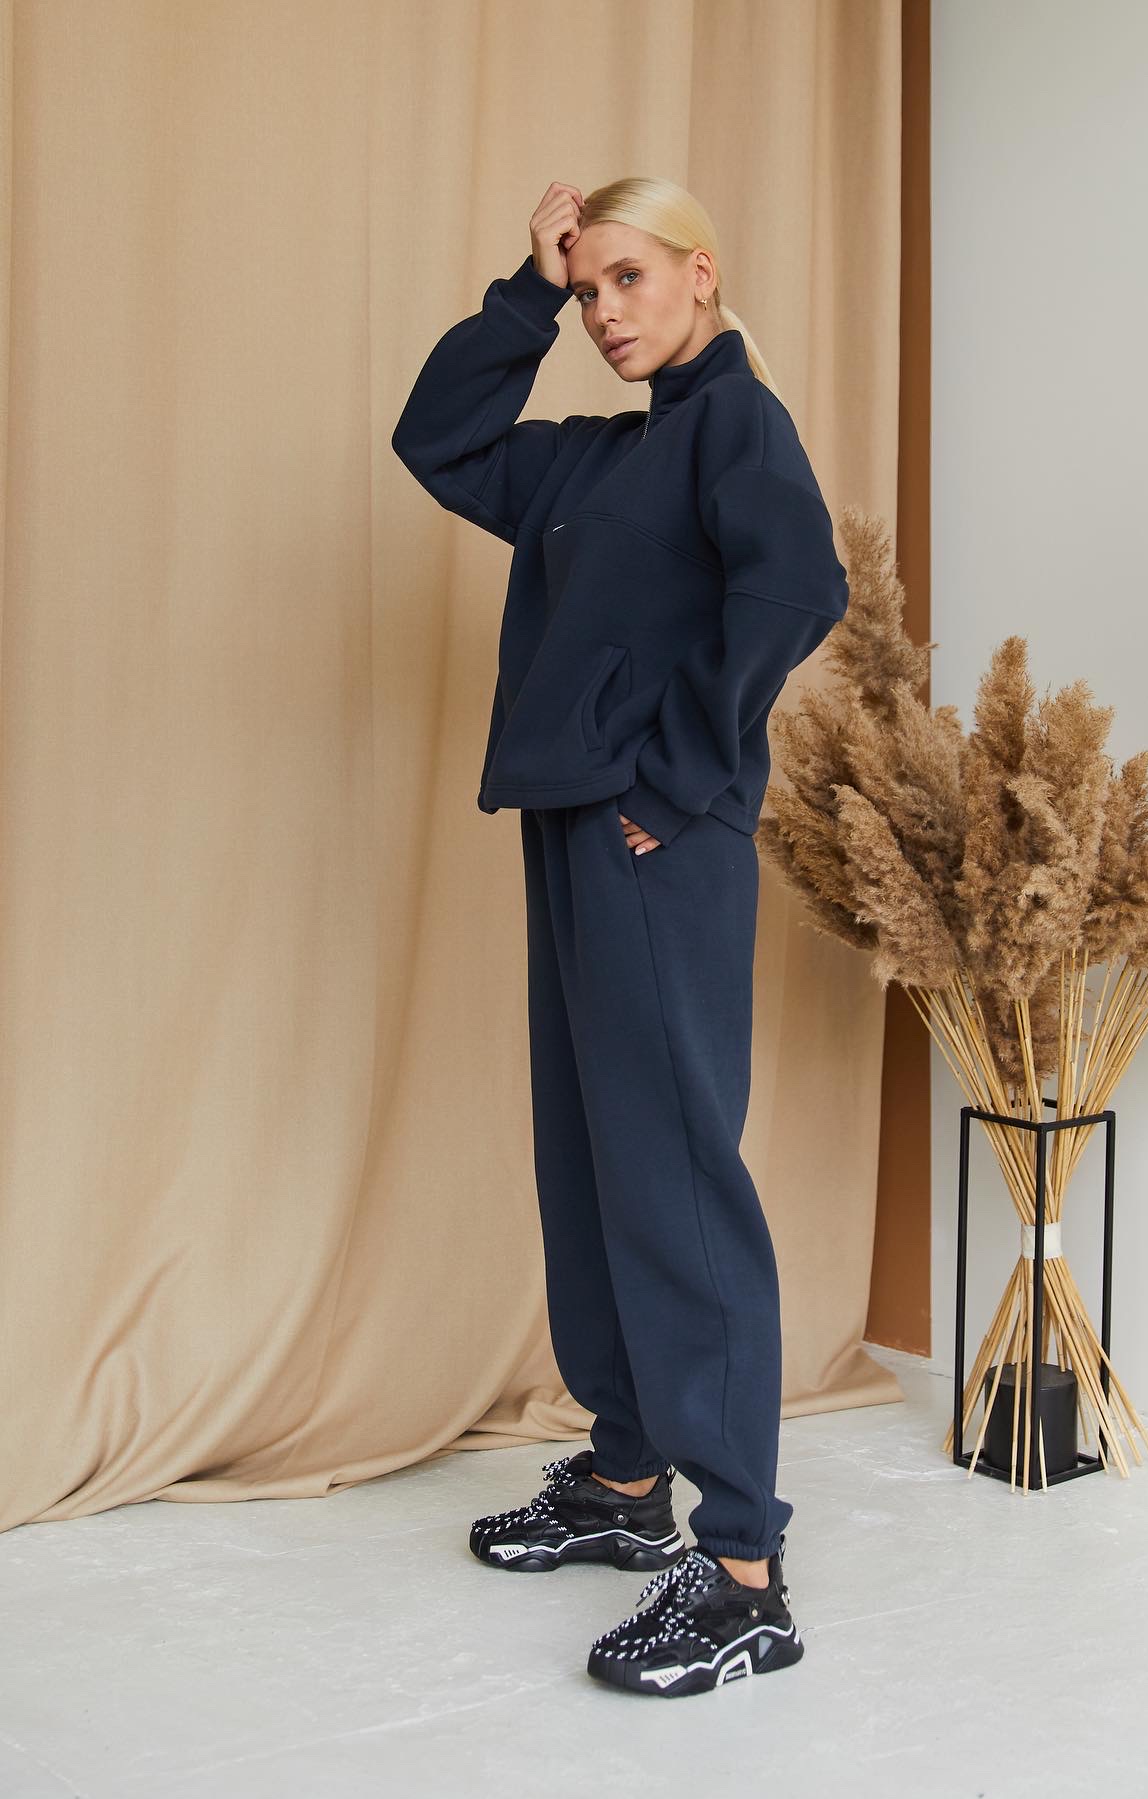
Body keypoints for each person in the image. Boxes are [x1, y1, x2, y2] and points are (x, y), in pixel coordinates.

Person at [391, 175, 848, 1698]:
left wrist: (677, 779)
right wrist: (522, 292)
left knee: (675, 1180)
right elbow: (439, 441)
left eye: (627, 279)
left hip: (660, 837)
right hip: (575, 825)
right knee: (590, 1155)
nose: (605, 312)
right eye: (588, 291)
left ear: (701, 274)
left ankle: (745, 1575)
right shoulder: (599, 456)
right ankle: (626, 1477)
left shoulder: (736, 425)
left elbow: (800, 586)